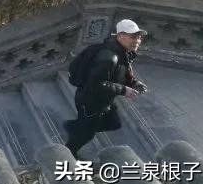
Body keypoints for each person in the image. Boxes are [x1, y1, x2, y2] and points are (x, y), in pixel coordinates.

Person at [63, 19, 149, 158]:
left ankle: (76, 126)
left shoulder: (123, 54)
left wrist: (134, 84)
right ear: (120, 36)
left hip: (103, 100)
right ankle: (68, 154)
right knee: (85, 135)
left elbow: (120, 75)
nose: (137, 41)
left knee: (113, 123)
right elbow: (95, 84)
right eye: (133, 37)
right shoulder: (109, 58)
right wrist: (124, 90)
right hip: (90, 101)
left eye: (139, 37)